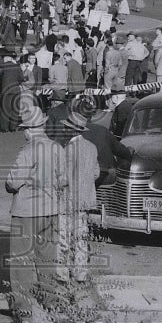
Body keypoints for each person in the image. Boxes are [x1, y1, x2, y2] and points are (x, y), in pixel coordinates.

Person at [0, 96, 67, 323]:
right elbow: (64, 180)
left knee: (21, 260)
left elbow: (13, 182)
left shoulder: (27, 150)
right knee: (47, 257)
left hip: (26, 211)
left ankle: (23, 308)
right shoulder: (57, 148)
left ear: (29, 130)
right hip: (50, 209)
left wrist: (9, 184)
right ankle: (51, 303)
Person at [56, 120, 100, 284]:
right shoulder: (91, 147)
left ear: (71, 130)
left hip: (68, 201)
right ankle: (80, 274)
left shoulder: (67, 150)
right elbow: (95, 173)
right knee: (81, 238)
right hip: (85, 201)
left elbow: (64, 178)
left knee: (64, 238)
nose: (62, 130)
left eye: (65, 127)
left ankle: (62, 275)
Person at [0, 48, 23, 133]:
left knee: (5, 108)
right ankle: (13, 127)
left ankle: (4, 127)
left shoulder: (3, 65)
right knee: (14, 109)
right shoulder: (17, 66)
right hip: (15, 90)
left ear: (7, 57)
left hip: (5, 89)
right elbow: (21, 78)